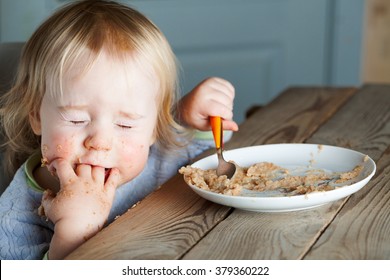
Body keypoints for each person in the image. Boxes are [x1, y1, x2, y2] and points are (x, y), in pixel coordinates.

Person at [0, 0, 238, 260]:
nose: (100, 142)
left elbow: (205, 158)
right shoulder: (15, 215)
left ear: (153, 128)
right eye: (77, 119)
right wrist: (72, 234)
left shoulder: (157, 158)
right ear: (36, 115)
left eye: (125, 124)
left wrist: (190, 119)